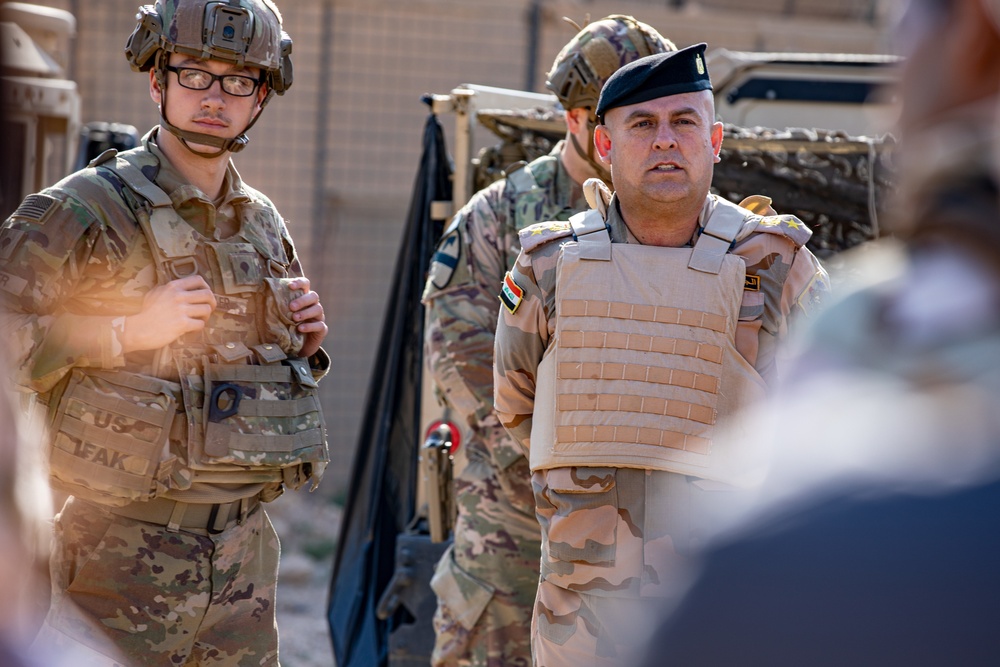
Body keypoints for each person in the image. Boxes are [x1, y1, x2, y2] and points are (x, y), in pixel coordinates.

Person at [631, 0, 1000, 664]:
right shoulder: (554, 253)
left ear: (973, 35)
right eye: (644, 124)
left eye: (907, 24)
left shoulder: (872, 321)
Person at [0, 1, 329, 665]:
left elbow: (254, 367)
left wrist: (306, 341)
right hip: (114, 557)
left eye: (238, 80)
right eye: (195, 75)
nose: (216, 97)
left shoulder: (262, 222)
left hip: (242, 562)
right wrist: (125, 329)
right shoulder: (78, 210)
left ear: (261, 94)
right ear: (158, 80)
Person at [493, 43, 829, 666]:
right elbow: (517, 409)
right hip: (582, 612)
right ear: (604, 145)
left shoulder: (779, 267)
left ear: (716, 139)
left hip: (729, 607)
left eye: (685, 122)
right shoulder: (548, 266)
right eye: (643, 124)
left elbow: (828, 425)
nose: (666, 141)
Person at [421, 15, 674, 667]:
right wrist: (563, 462)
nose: (645, 137)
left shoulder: (685, 225)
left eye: (657, 116)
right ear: (576, 122)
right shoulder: (501, 215)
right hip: (513, 533)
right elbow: (461, 358)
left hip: (637, 544)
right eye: (626, 118)